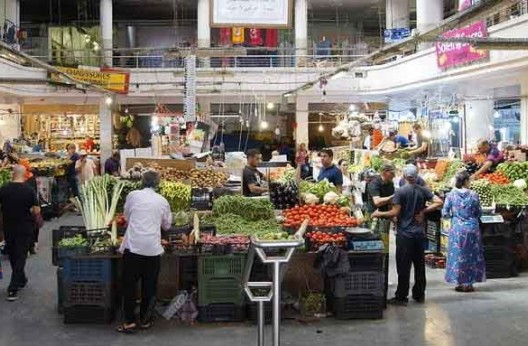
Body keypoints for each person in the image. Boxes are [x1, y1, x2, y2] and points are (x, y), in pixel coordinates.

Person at [372, 164, 443, 306]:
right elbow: (439, 202)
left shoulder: (400, 192)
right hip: (419, 233)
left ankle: (401, 296)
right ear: (416, 176)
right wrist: (424, 211)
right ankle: (419, 294)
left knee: (403, 266)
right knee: (419, 265)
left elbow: (395, 212)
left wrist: (379, 213)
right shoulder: (423, 190)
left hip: (405, 234)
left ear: (404, 176)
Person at [117, 170, 172, 333]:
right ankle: (145, 320)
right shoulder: (162, 200)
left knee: (129, 285)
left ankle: (128, 322)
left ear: (142, 181)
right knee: (149, 286)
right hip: (152, 249)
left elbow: (126, 217)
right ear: (158, 183)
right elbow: (167, 225)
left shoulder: (133, 195)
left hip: (133, 247)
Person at [0, 165, 41, 301]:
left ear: (13, 174)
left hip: (8, 227)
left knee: (13, 254)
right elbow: (36, 211)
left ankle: (21, 279)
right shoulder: (29, 190)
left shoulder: (4, 189)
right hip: (24, 227)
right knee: (21, 255)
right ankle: (13, 288)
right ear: (24, 175)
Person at [443, 170, 486, 292]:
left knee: (458, 255)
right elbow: (479, 212)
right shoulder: (474, 195)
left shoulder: (451, 195)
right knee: (472, 255)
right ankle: (470, 283)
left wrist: (455, 216)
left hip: (457, 229)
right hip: (472, 228)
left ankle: (461, 283)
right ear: (466, 181)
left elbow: (445, 213)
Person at [366, 162, 396, 305]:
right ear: (384, 172)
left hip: (384, 218)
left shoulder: (390, 184)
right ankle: (373, 275)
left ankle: (382, 277)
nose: (394, 175)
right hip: (373, 217)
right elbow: (377, 202)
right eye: (392, 173)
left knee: (384, 250)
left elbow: (390, 204)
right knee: (373, 246)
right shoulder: (374, 183)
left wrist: (394, 217)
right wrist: (393, 197)